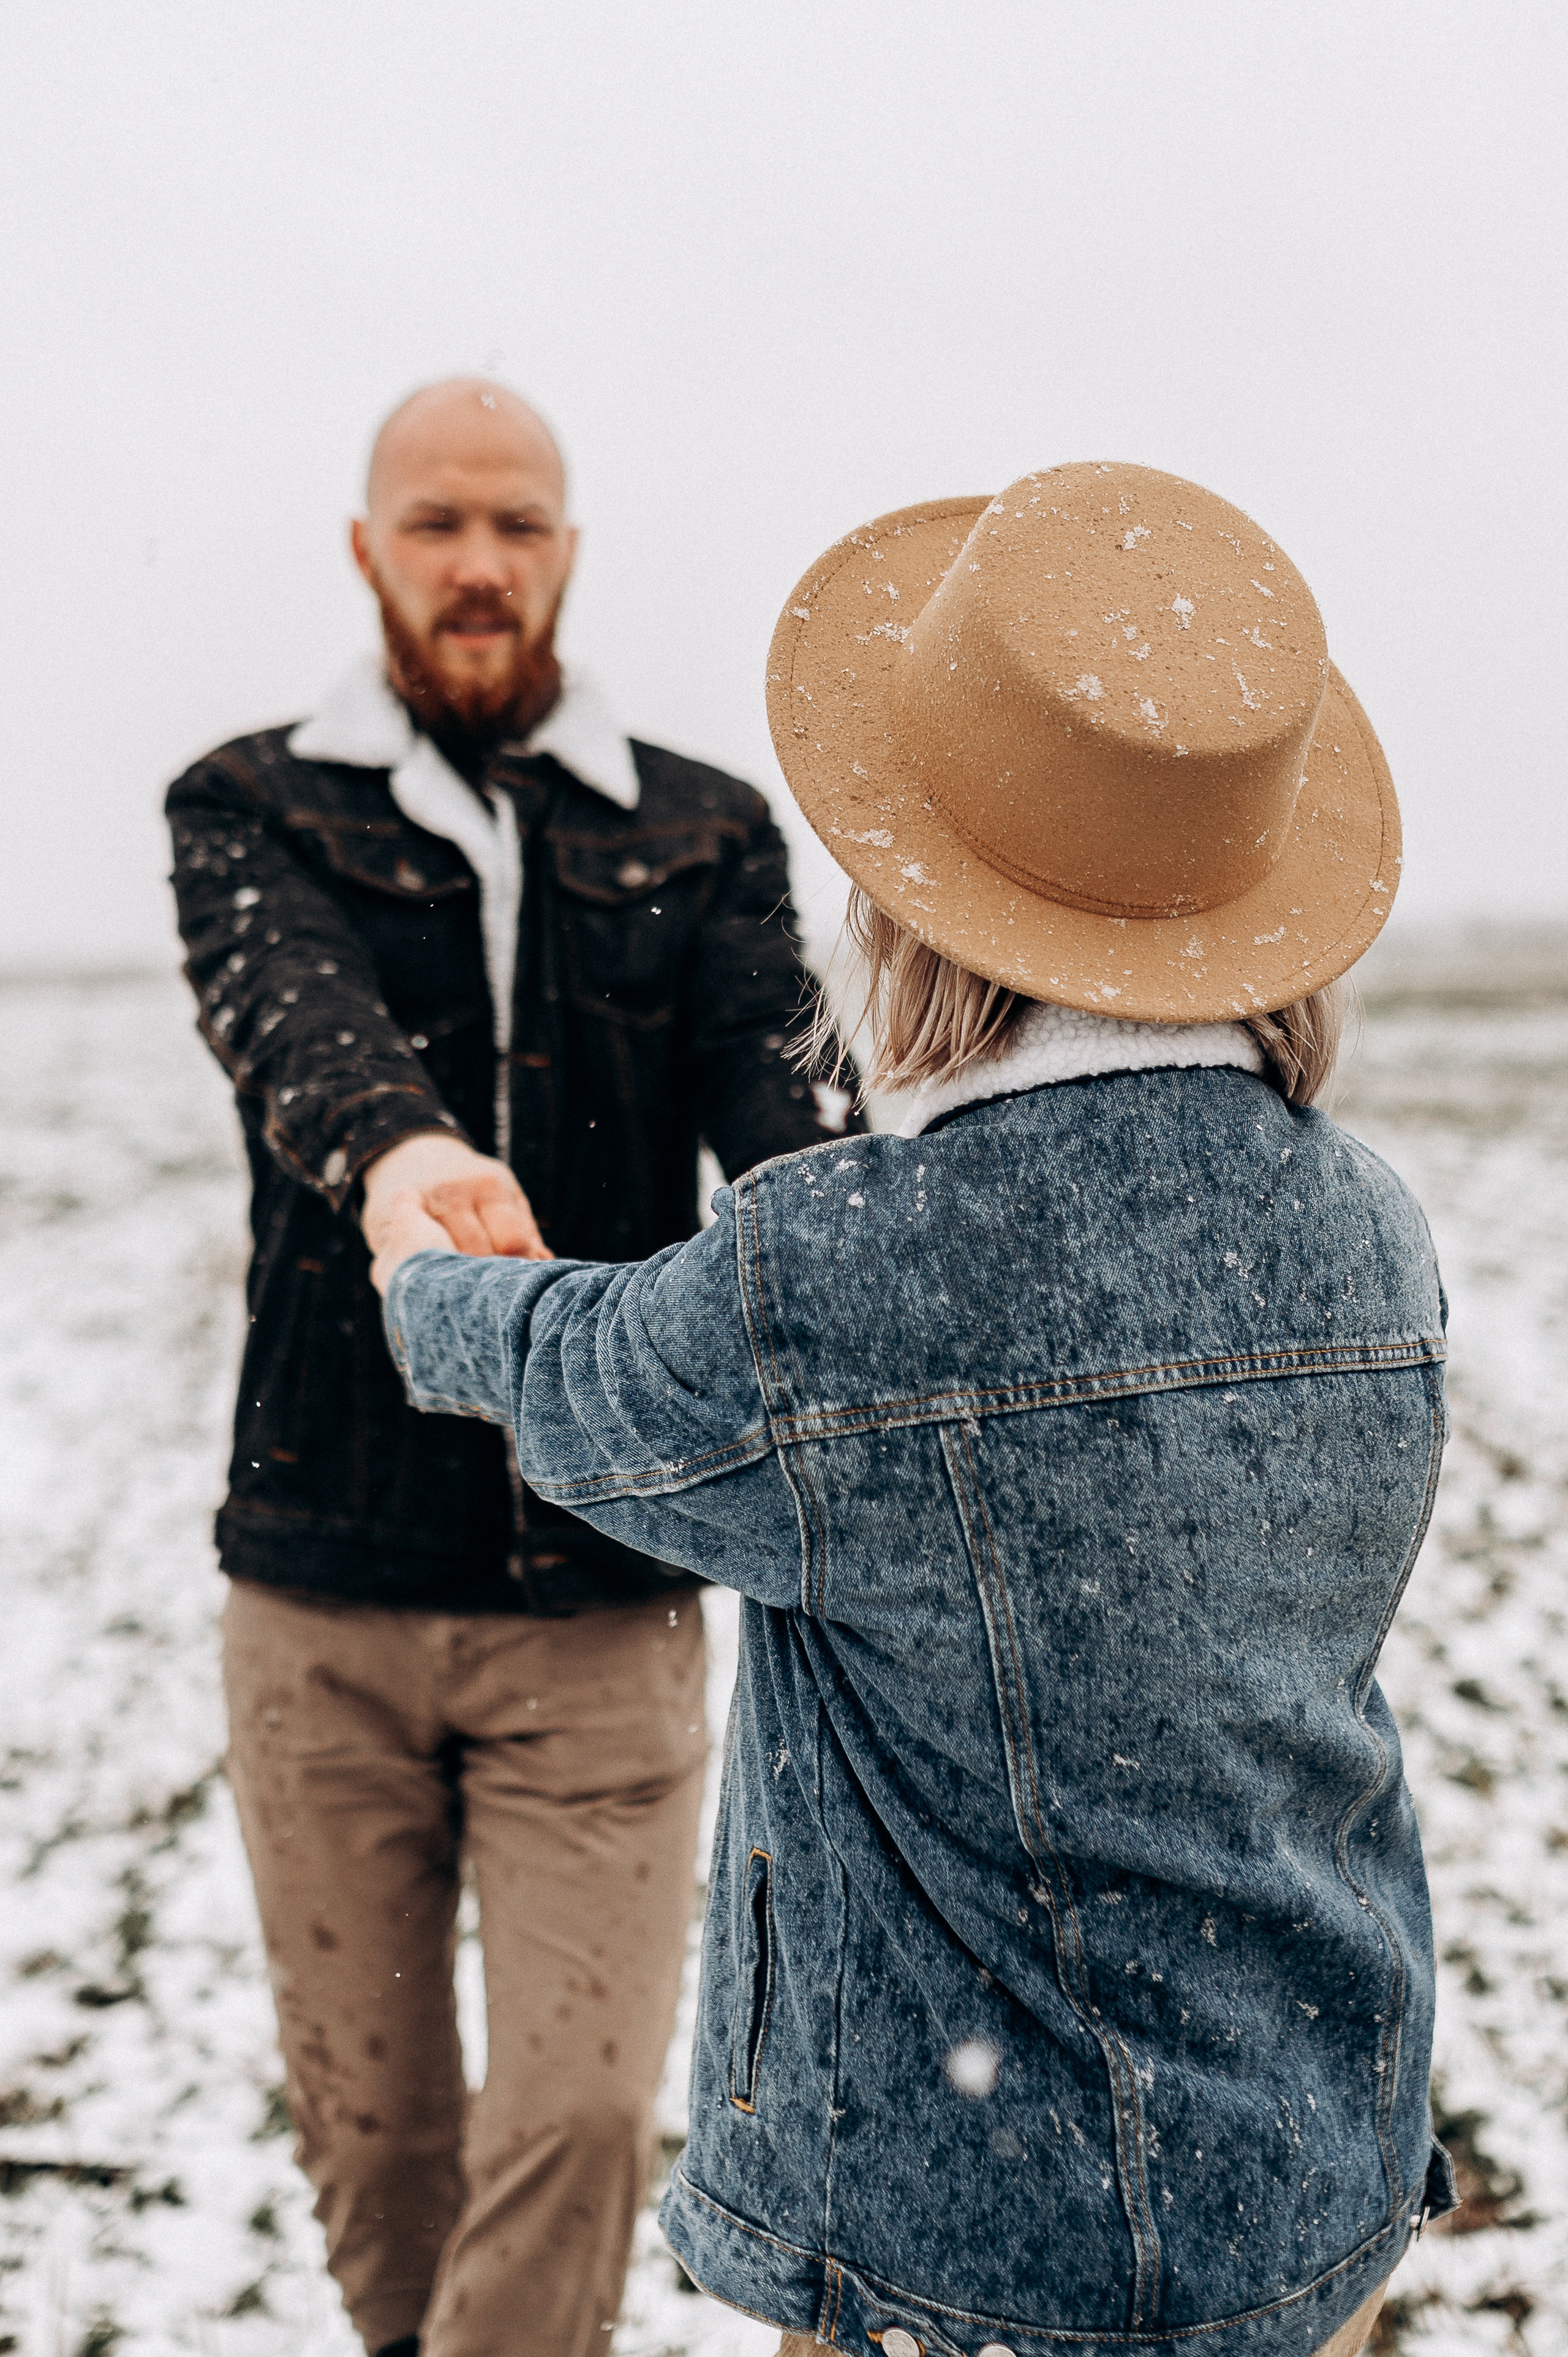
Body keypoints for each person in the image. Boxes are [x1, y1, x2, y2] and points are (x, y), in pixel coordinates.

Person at [369, 462, 1459, 2357]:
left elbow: (590, 1381)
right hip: (1315, 2176)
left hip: (970, 2255)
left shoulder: (842, 1271)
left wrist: (425, 1279)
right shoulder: (1370, 1226)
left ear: (914, 909)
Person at [166, 378, 858, 2357]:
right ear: (368, 547)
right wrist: (406, 1159)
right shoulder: (247, 805)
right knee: (378, 2152)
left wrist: (889, 1233)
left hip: (604, 1601)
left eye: (520, 525)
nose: (480, 564)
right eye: (440, 522)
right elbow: (290, 1018)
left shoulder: (706, 828)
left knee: (572, 2122)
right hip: (323, 1593)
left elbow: (782, 1114)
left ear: (568, 550)